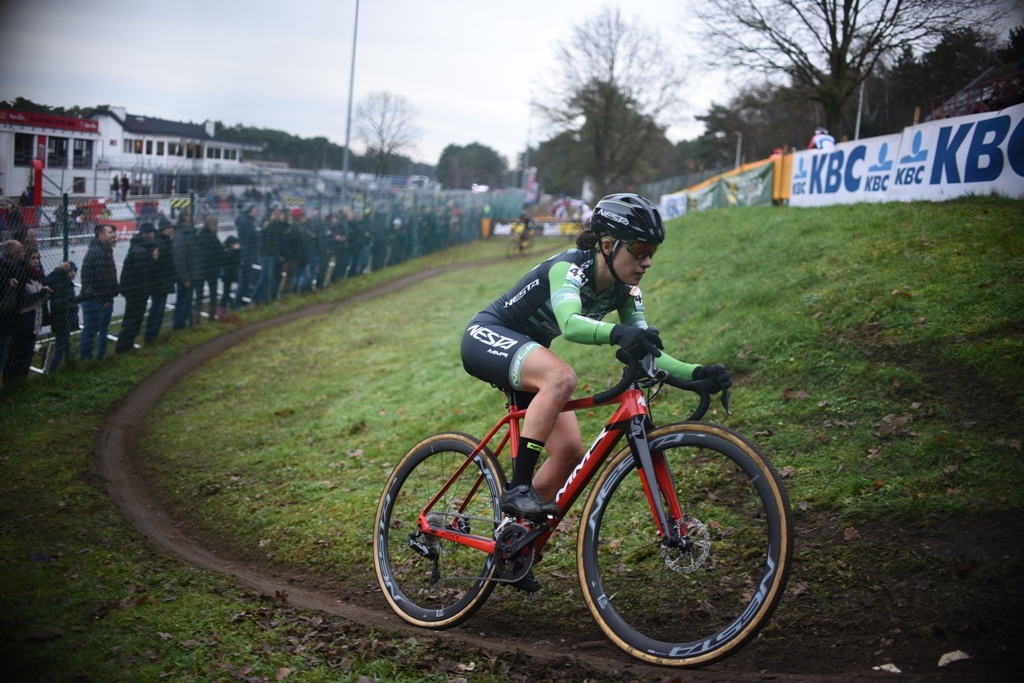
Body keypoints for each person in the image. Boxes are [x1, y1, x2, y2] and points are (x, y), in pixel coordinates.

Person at [460, 193, 732, 592]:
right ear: (608, 245)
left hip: (530, 350)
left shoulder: (625, 289)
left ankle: (513, 540)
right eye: (640, 249)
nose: (648, 261)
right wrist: (618, 333)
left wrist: (696, 374)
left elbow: (649, 348)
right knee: (561, 378)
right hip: (489, 335)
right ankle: (519, 489)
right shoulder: (570, 268)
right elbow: (570, 324)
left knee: (570, 450)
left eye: (652, 251)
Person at [2, 246, 50, 384]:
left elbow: (38, 300)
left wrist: (45, 294)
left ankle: (21, 384)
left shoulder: (37, 278)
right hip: (23, 323)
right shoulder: (22, 278)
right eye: (32, 258)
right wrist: (41, 294)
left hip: (35, 322)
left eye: (38, 258)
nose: (36, 261)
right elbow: (22, 301)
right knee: (15, 358)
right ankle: (10, 385)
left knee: (26, 359)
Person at [78, 223, 119, 361]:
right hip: (96, 300)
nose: (114, 235)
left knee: (98, 330)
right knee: (90, 332)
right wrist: (106, 298)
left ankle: (99, 358)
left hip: (100, 299)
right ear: (100, 235)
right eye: (110, 232)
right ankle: (86, 361)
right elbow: (102, 279)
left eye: (113, 232)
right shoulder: (99, 252)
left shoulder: (104, 251)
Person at [115, 223, 157, 353]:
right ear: (148, 234)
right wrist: (153, 260)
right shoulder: (140, 251)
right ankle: (123, 347)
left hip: (135, 290)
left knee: (132, 319)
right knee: (133, 320)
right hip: (136, 291)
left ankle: (126, 346)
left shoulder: (138, 248)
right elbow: (144, 272)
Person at [144, 217, 176, 343]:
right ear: (163, 229)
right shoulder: (160, 242)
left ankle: (153, 335)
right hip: (159, 282)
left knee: (159, 309)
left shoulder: (166, 241)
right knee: (156, 309)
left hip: (164, 280)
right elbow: (156, 256)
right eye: (169, 228)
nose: (171, 230)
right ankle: (150, 336)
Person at [43, 260, 78, 372]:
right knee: (61, 346)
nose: (73, 273)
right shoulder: (60, 284)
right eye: (70, 271)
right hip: (61, 319)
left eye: (74, 271)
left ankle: (67, 366)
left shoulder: (67, 285)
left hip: (64, 318)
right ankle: (52, 371)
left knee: (65, 344)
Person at [0, 240, 27, 381]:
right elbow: (9, 300)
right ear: (14, 254)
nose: (24, 254)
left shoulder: (14, 269)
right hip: (6, 321)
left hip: (9, 321)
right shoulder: (8, 271)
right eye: (22, 251)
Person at [193, 216, 224, 322]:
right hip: (212, 270)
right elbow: (220, 252)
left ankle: (196, 319)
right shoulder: (213, 237)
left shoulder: (199, 236)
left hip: (200, 270)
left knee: (199, 296)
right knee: (213, 294)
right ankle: (211, 317)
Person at [171, 213, 196, 329]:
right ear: (186, 218)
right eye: (192, 215)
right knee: (182, 301)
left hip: (189, 272)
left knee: (186, 301)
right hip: (184, 275)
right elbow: (179, 258)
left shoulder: (187, 233)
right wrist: (185, 278)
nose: (195, 217)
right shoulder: (181, 235)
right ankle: (178, 325)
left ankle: (182, 323)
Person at [234, 202, 259, 306]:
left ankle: (241, 301)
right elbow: (254, 235)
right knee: (244, 280)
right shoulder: (246, 223)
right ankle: (238, 303)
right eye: (254, 210)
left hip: (248, 253)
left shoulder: (245, 221)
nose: (256, 212)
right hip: (247, 254)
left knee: (247, 279)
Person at [219, 235, 241, 315]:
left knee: (226, 291)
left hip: (226, 274)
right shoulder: (230, 251)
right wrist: (236, 250)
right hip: (230, 274)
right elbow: (234, 259)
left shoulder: (224, 250)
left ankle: (224, 308)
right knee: (228, 291)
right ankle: (232, 305)